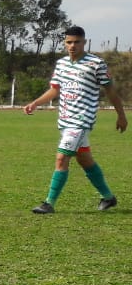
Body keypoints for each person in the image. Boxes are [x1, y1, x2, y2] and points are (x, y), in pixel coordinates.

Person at [23, 25, 127, 214]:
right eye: (69, 42)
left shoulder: (96, 64)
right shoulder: (62, 64)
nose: (72, 46)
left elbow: (110, 91)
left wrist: (121, 115)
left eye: (77, 42)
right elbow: (55, 90)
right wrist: (35, 103)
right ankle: (108, 197)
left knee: (61, 158)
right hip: (65, 120)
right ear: (65, 43)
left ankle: (49, 203)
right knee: (84, 160)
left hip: (81, 120)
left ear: (84, 42)